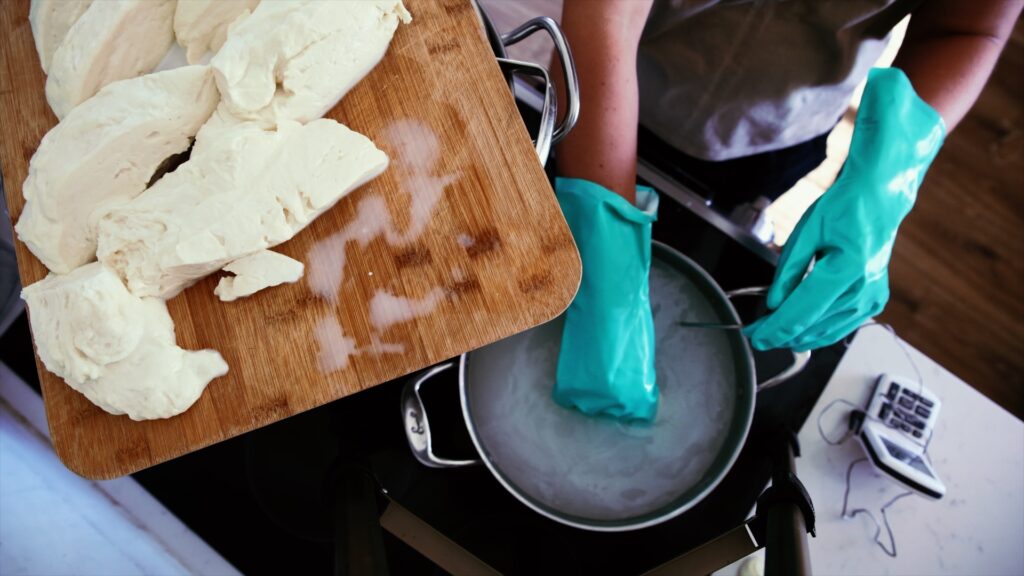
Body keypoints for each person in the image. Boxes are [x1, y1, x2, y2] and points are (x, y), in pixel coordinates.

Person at [551, 0, 1023, 421]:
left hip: (781, 131)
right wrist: (607, 262)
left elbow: (962, 25)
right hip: (613, 72)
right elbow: (607, 11)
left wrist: (886, 182)